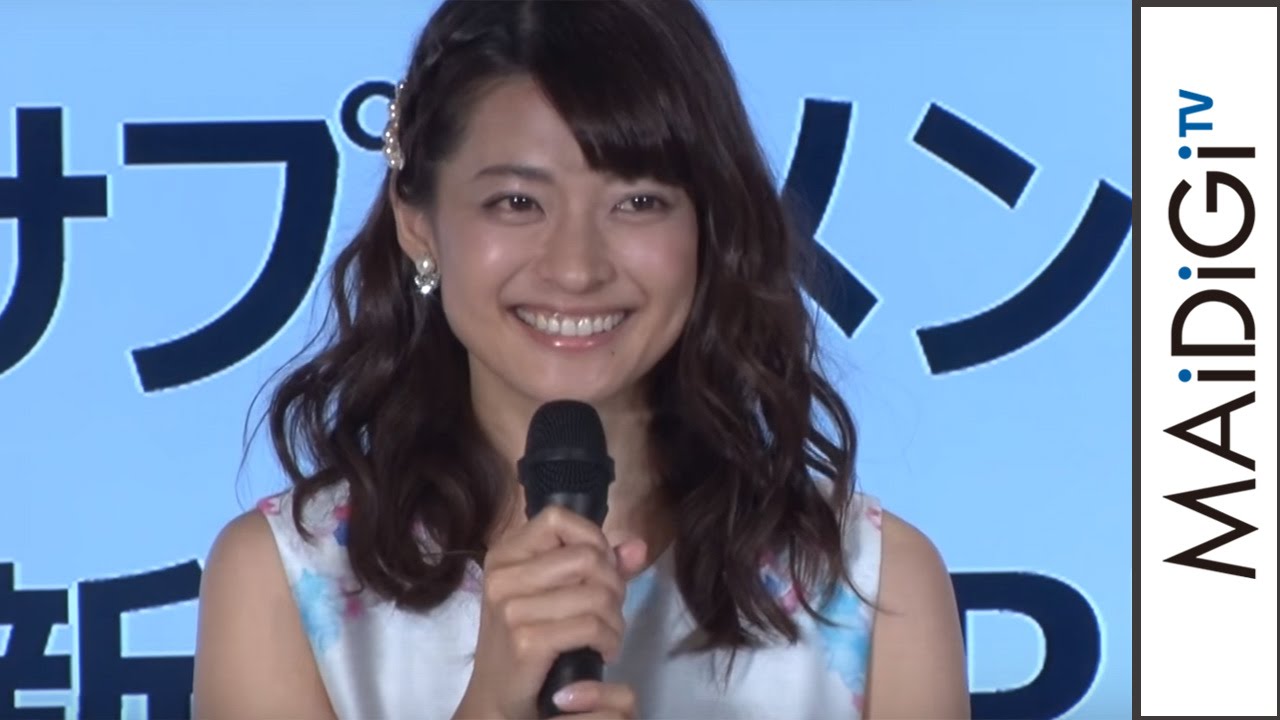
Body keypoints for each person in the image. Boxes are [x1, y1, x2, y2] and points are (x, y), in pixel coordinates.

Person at [192, 0, 968, 718]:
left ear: (709, 226)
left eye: (638, 202)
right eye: (516, 203)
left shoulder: (875, 587)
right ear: (417, 223)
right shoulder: (282, 581)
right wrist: (490, 707)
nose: (576, 267)